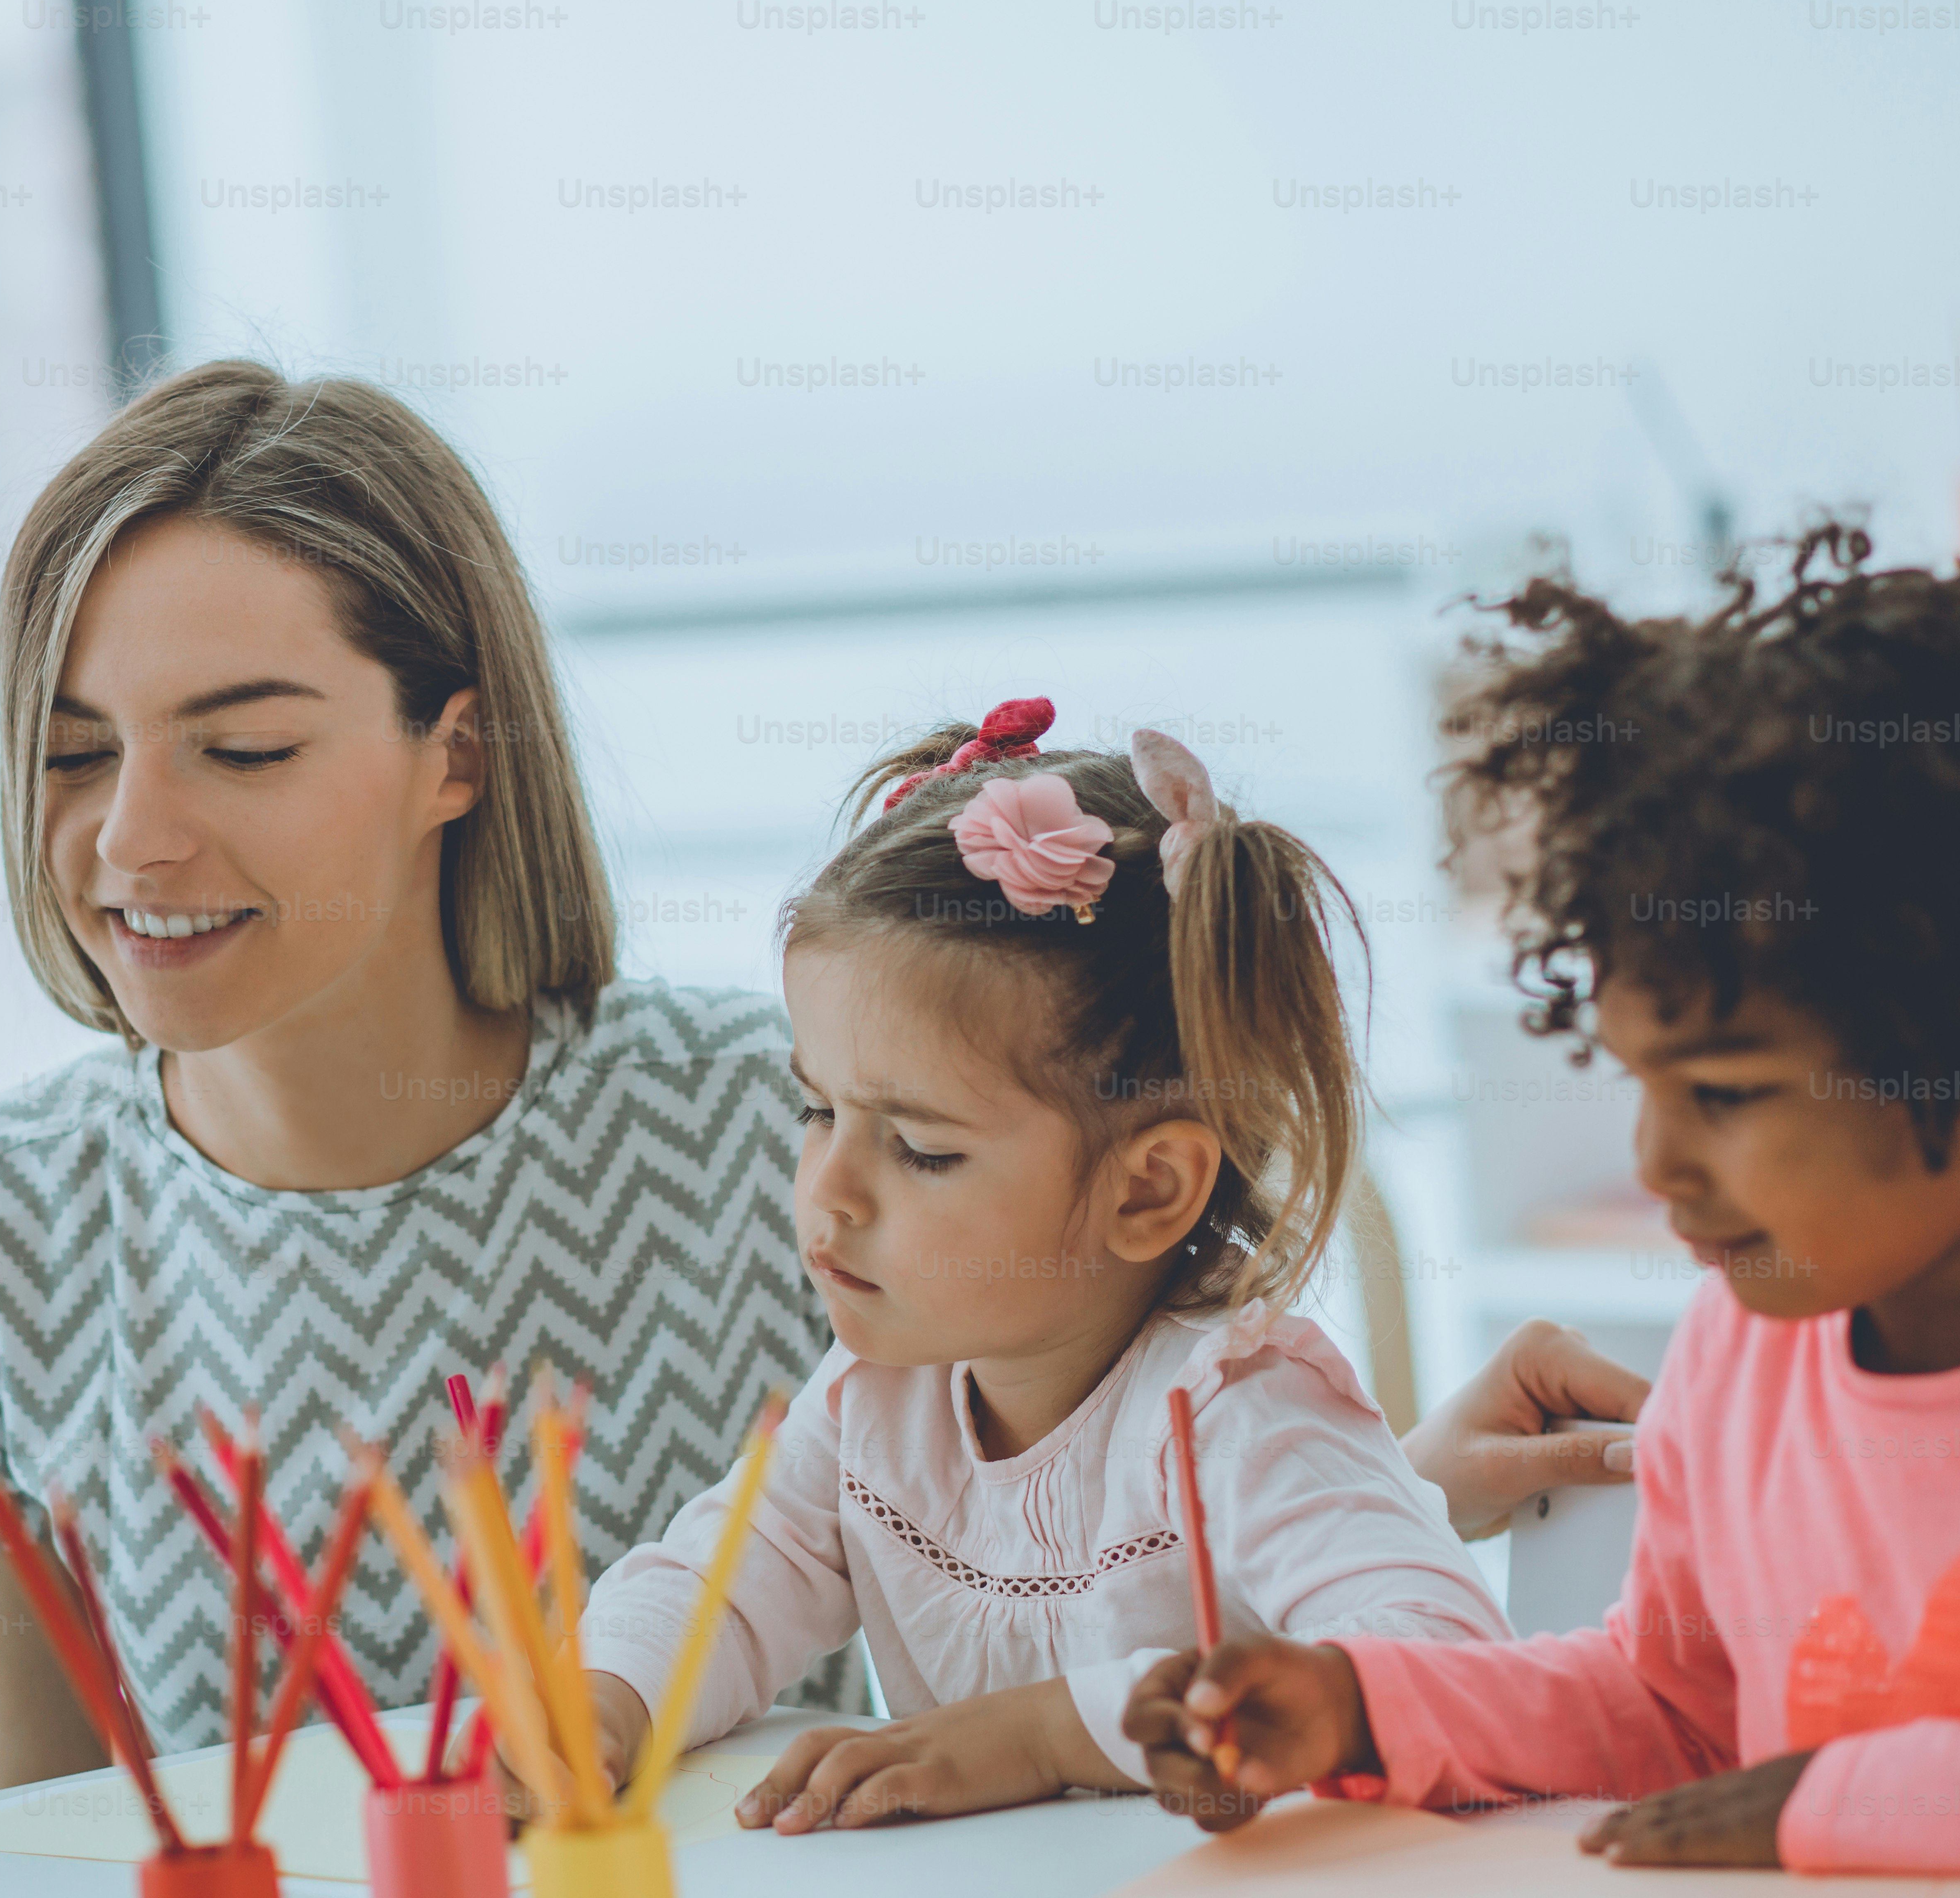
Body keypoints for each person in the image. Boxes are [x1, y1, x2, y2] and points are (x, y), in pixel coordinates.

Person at [0, 359, 1647, 1790]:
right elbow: (44, 1858)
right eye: (70, 755)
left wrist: (1370, 1498)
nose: (131, 838)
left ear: (455, 753)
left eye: (240, 745)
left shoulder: (779, 1108)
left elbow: (1061, 1510)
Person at [1133, 531, 1960, 1873]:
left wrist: (1831, 1804)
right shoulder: (1745, 1348)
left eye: (1723, 1094)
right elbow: (1669, 1709)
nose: (1655, 1162)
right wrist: (1358, 1702)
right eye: (1640, 1083)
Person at [575, 707, 1507, 1830]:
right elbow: (717, 1587)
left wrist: (1052, 1734)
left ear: (1146, 1190)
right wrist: (606, 1701)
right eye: (817, 1109)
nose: (828, 1188)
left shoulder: (1246, 1412)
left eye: (921, 1149)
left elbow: (1447, 1669)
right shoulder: (875, 1400)